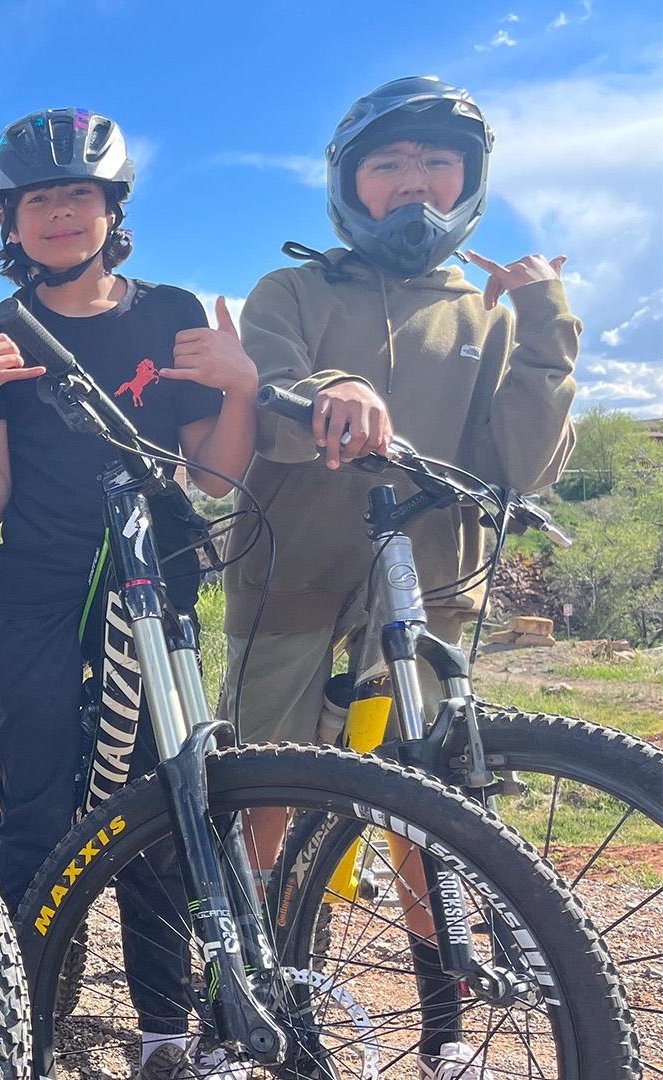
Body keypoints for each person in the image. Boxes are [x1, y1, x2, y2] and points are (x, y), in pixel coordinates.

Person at [218, 76, 576, 1080]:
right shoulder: (292, 291)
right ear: (351, 182)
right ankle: (252, 1008)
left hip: (427, 588)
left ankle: (442, 1033)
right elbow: (269, 409)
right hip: (288, 576)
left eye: (434, 163)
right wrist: (335, 390)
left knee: (428, 812)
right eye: (389, 164)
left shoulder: (490, 312)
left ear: (468, 180)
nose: (413, 182)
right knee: (261, 800)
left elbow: (522, 469)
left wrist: (547, 321)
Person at [0, 108, 259, 1079]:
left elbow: (211, 479)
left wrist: (240, 388)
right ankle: (19, 1015)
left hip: (154, 600)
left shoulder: (168, 316)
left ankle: (164, 1026)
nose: (60, 214)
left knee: (166, 809)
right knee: (32, 812)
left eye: (78, 194)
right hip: (38, 600)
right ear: (11, 221)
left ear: (111, 207)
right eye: (39, 200)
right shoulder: (0, 334)